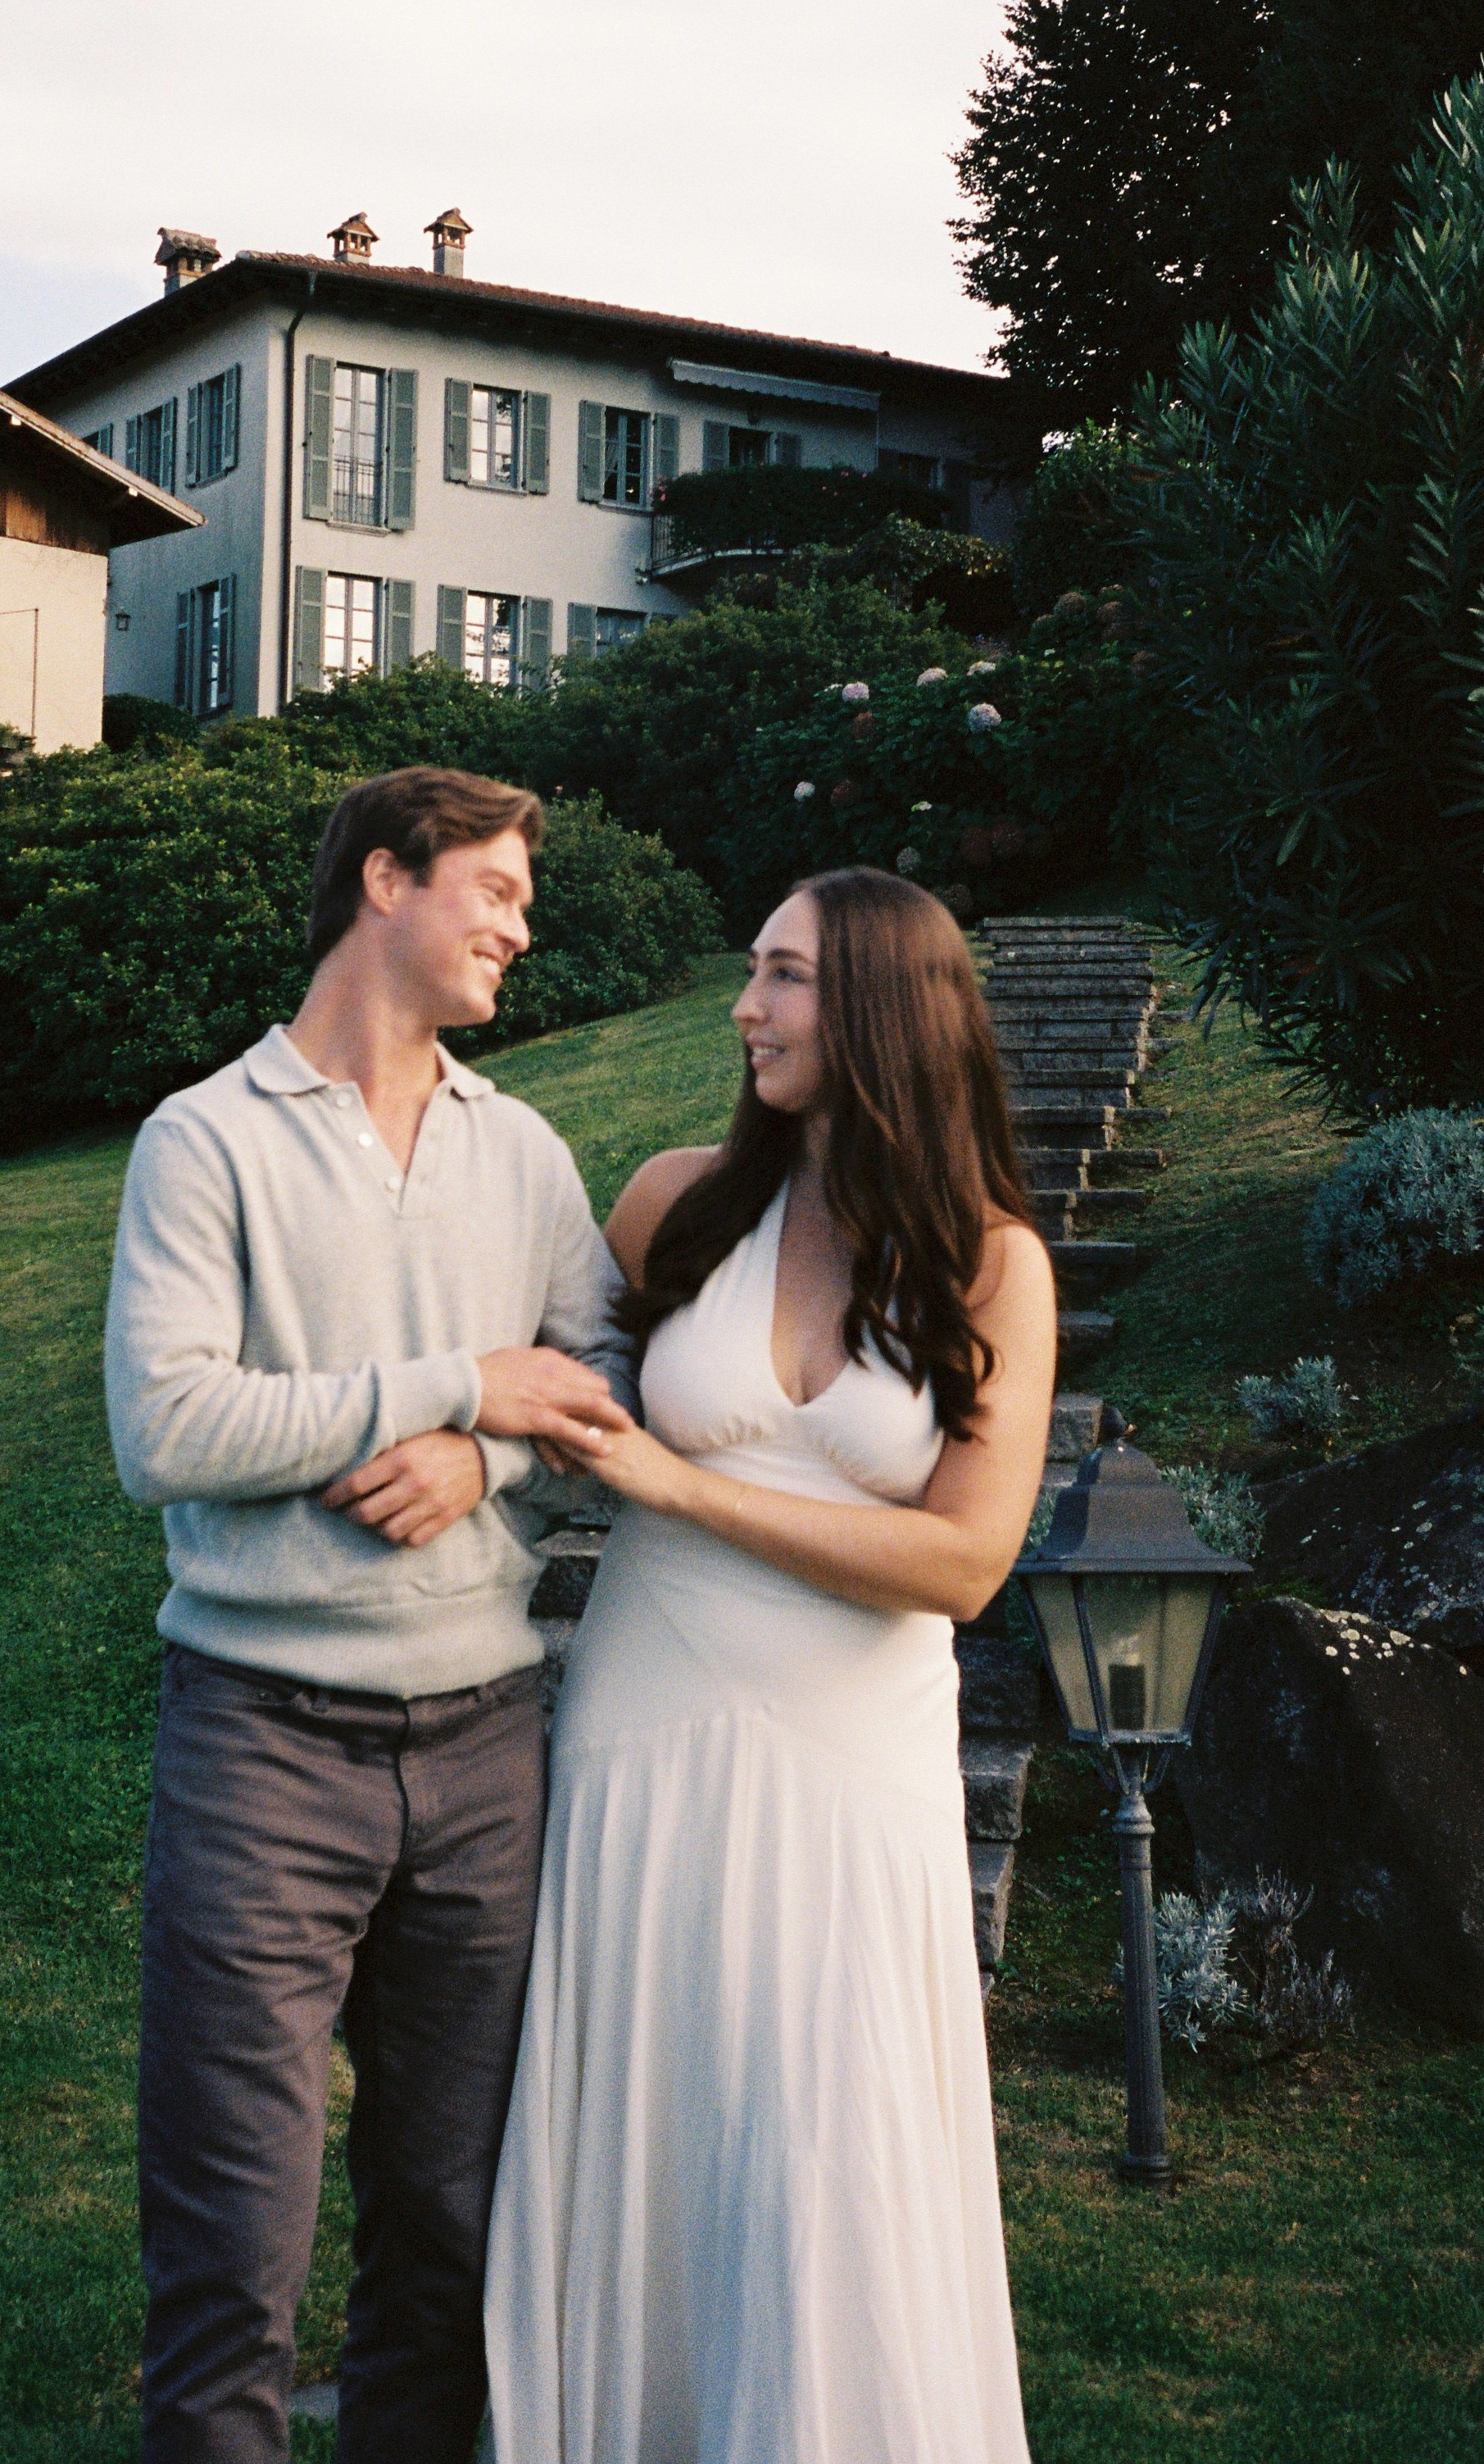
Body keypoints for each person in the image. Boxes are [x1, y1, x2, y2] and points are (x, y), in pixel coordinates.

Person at [484, 866, 1055, 2464]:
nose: (743, 1005)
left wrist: (673, 1485)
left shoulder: (989, 1262)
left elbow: (962, 1560)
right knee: (655, 2129)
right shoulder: (675, 1199)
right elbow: (536, 1387)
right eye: (751, 970)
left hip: (851, 1756)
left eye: (783, 974)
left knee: (827, 2142)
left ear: (879, 1003)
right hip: (646, 1725)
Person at [106, 766, 634, 2464]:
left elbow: (600, 1380)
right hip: (258, 1747)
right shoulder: (204, 1138)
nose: (518, 930)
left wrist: (480, 1459)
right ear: (387, 883)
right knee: (228, 2243)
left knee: (450, 2229)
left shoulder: (527, 1150)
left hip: (487, 1746)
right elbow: (169, 1427)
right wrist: (452, 1382)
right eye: (492, 891)